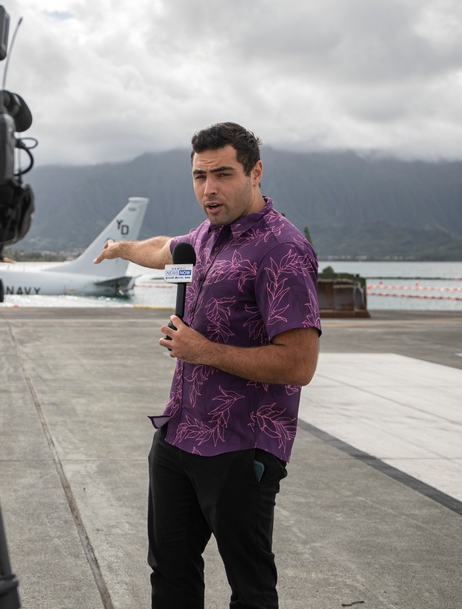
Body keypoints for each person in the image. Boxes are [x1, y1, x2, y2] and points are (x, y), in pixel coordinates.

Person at [94, 122, 321, 608]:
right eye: (200, 176)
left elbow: (300, 364)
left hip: (243, 447)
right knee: (171, 571)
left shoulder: (282, 250)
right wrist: (121, 250)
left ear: (255, 172)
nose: (209, 188)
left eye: (223, 174)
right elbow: (165, 249)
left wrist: (204, 351)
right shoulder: (206, 238)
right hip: (179, 436)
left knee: (250, 586)